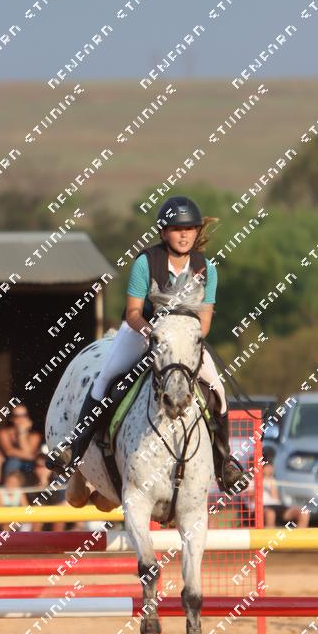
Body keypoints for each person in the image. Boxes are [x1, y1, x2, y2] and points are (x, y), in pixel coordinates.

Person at [48, 196, 247, 494]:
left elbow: (205, 320)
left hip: (184, 339)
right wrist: (155, 334)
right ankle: (74, 449)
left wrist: (185, 337)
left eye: (189, 229)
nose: (184, 235)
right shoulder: (146, 262)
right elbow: (133, 313)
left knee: (217, 390)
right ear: (163, 232)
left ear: (196, 232)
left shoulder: (207, 268)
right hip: (142, 331)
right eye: (177, 229)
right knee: (105, 380)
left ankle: (225, 463)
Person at [0, 404, 41, 478]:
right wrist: (30, 456)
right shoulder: (4, 433)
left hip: (29, 466)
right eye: (17, 416)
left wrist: (22, 433)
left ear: (28, 417)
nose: (21, 419)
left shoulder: (35, 435)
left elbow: (29, 454)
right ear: (11, 418)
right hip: (10, 464)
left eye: (24, 415)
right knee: (13, 461)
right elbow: (9, 452)